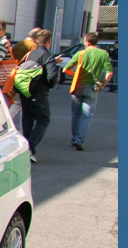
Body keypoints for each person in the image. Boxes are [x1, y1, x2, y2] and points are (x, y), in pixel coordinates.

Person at [63, 32, 113, 151]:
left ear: (87, 42)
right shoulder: (103, 54)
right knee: (87, 116)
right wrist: (103, 84)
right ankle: (80, 140)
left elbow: (65, 69)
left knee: (76, 115)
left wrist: (76, 76)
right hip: (92, 87)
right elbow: (109, 73)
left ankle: (74, 138)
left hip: (77, 86)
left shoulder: (81, 53)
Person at [16, 29, 60, 162]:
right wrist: (49, 85)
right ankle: (30, 148)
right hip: (39, 93)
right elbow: (52, 76)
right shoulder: (48, 56)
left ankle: (24, 149)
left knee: (27, 120)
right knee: (43, 120)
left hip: (24, 91)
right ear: (49, 41)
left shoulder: (30, 54)